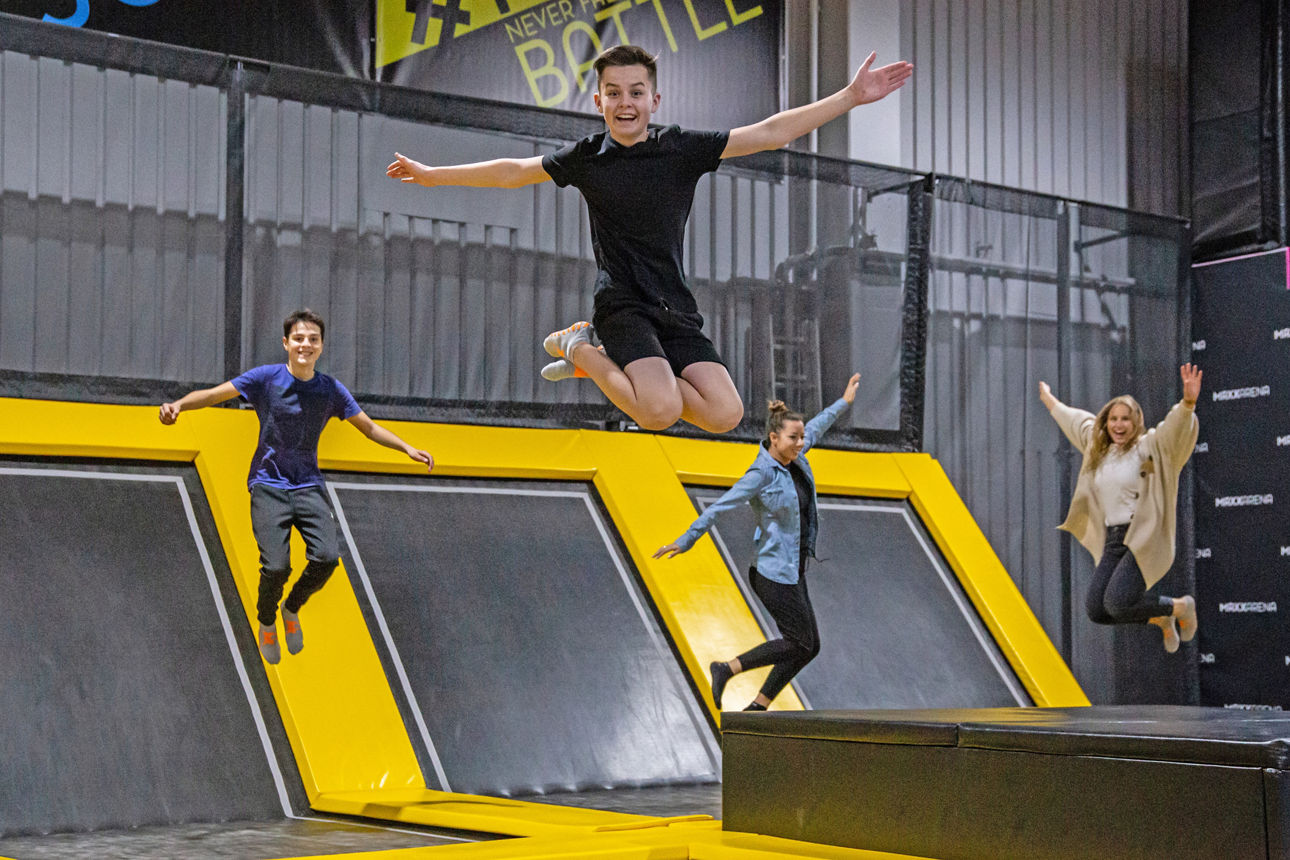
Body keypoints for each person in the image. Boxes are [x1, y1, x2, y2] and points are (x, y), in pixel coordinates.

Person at [387, 45, 911, 434]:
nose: (625, 103)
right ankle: (581, 348)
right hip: (623, 305)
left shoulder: (680, 149)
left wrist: (850, 97)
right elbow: (511, 171)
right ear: (599, 101)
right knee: (658, 411)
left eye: (636, 92)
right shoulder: (587, 159)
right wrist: (435, 174)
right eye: (613, 94)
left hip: (674, 306)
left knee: (725, 414)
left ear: (654, 99)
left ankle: (607, 368)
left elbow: (770, 133)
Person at [159, 309, 433, 664]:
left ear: (321, 347)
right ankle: (267, 619)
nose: (306, 345)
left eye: (313, 340)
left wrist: (406, 447)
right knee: (276, 567)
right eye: (299, 339)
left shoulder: (330, 389)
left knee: (327, 558)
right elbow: (214, 394)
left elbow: (368, 427)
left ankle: (291, 607)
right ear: (286, 344)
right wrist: (178, 406)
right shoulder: (266, 379)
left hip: (307, 486)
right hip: (269, 484)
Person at [654, 373, 861, 710]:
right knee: (799, 641)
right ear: (773, 438)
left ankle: (758, 706)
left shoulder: (797, 455)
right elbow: (722, 506)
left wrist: (844, 402)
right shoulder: (760, 474)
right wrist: (686, 539)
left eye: (801, 438)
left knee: (810, 646)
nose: (800, 443)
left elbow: (820, 425)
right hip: (770, 573)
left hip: (794, 568)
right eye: (793, 438)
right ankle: (727, 668)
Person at [1038, 364, 1202, 653]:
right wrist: (1050, 401)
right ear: (1106, 421)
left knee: (1117, 601)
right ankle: (1163, 618)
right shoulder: (1097, 447)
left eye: (1125, 419)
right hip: (1115, 539)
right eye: (1113, 419)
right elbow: (1076, 421)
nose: (1118, 425)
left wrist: (1187, 403)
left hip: (1142, 536)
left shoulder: (1148, 446)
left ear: (1136, 421)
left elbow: (1173, 431)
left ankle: (1181, 607)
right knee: (1097, 610)